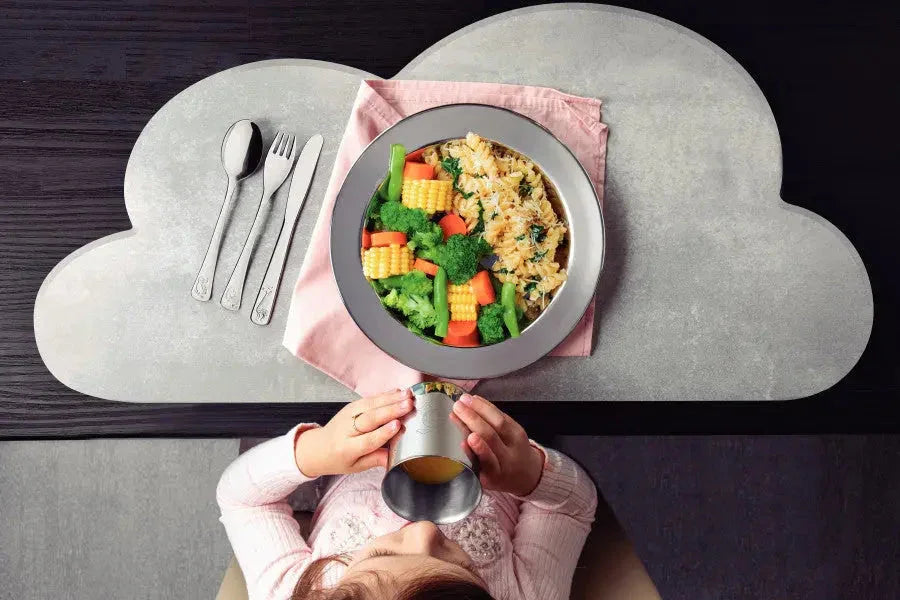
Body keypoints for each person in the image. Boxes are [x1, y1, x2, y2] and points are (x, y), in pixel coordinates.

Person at [216, 389, 598, 600]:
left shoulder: (291, 594)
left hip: (360, 419)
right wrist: (529, 474)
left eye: (383, 554)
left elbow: (242, 500)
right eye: (464, 567)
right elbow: (573, 509)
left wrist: (316, 451)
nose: (424, 529)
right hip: (494, 423)